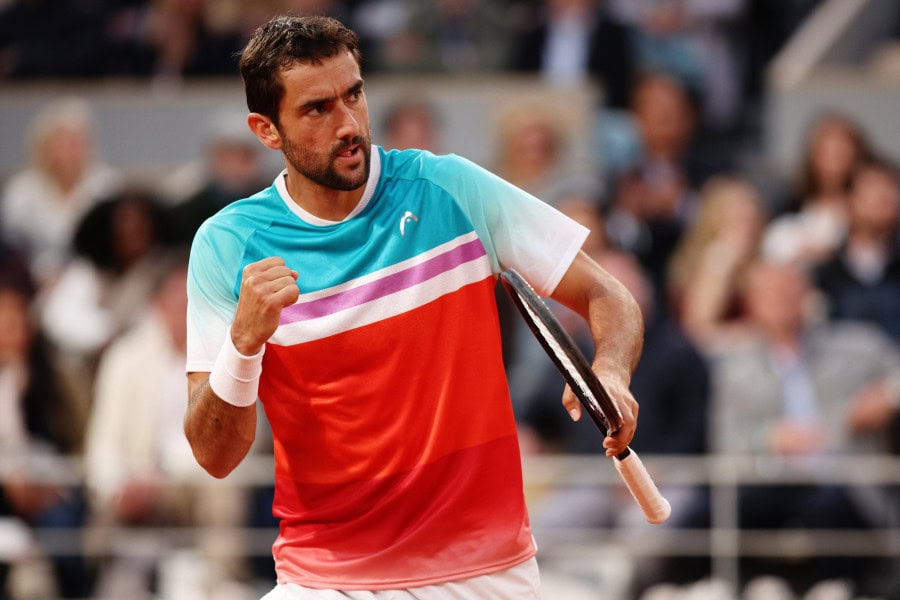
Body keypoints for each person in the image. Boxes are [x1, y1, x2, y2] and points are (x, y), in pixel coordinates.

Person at [183, 15, 644, 599]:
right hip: (326, 578)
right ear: (266, 129)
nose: (348, 124)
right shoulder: (226, 245)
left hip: (484, 573)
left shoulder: (451, 188)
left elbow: (610, 296)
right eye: (317, 109)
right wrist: (242, 346)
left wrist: (611, 371)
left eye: (354, 94)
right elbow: (214, 455)